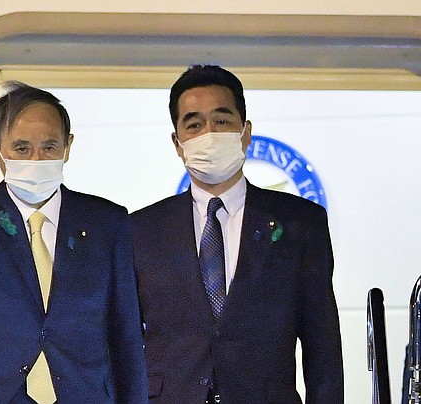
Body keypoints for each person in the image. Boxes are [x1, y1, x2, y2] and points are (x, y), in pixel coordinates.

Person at [0, 54, 147, 404]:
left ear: (68, 147)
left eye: (49, 147)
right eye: (21, 148)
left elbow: (125, 334)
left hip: (82, 392)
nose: (36, 159)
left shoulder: (105, 221)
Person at [131, 65, 343, 404]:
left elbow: (322, 344)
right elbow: (122, 340)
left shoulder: (301, 223)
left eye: (221, 120)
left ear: (245, 132)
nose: (208, 134)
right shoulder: (140, 230)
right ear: (177, 141)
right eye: (194, 124)